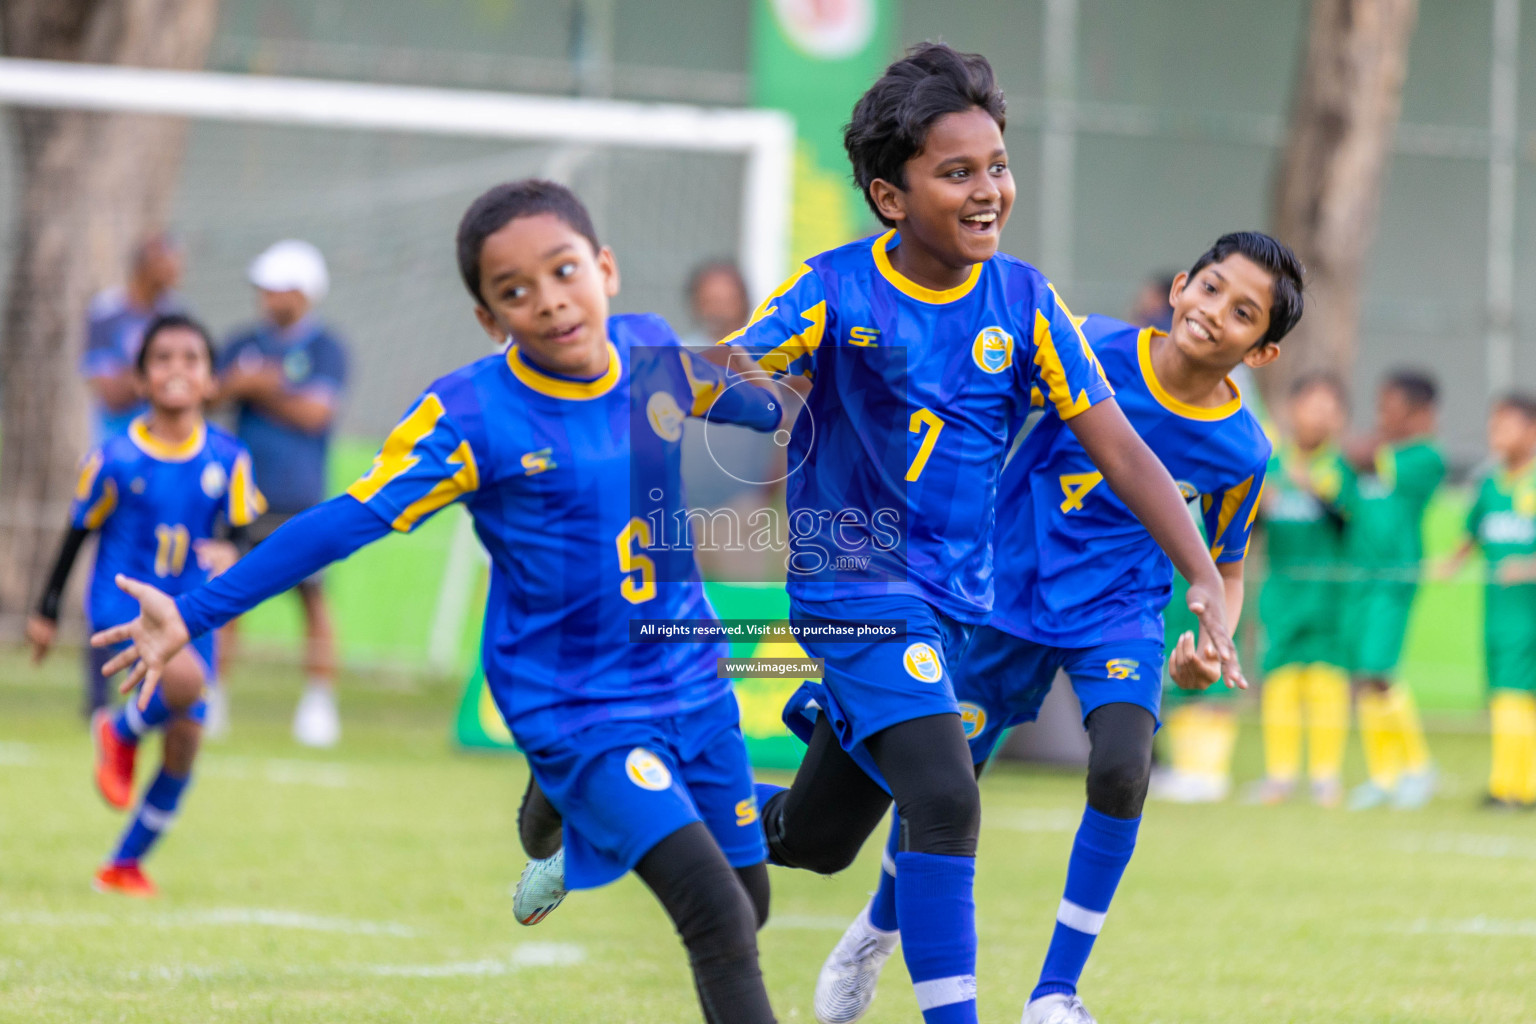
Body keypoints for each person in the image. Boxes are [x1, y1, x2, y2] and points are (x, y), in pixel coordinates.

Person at [91, 180, 790, 1024]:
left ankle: (562, 820)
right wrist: (195, 609)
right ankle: (572, 787)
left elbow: (742, 395)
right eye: (514, 292)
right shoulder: (471, 416)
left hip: (693, 678)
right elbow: (346, 521)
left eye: (564, 271)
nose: (549, 301)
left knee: (748, 910)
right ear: (490, 321)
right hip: (576, 706)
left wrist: (790, 398)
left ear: (604, 268)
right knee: (714, 914)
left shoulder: (651, 351)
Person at [731, 45, 1244, 1024]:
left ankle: (647, 791)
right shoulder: (835, 287)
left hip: (958, 606)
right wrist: (737, 389)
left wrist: (1204, 577)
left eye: (997, 165)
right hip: (856, 589)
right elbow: (734, 374)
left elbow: (1128, 455)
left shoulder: (1025, 303)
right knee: (949, 798)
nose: (988, 191)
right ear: (890, 195)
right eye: (956, 172)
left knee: (816, 835)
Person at [810, 231, 1302, 1024]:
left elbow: (1228, 566)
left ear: (1263, 352)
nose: (1216, 314)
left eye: (1244, 312)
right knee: (941, 790)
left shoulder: (1242, 450)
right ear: (1180, 287)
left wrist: (1213, 643)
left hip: (1119, 614)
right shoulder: (1087, 347)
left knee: (1122, 768)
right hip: (1002, 597)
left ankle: (1055, 993)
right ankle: (876, 929)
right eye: (1211, 290)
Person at [28, 314, 262, 896]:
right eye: (162, 358)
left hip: (192, 613)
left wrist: (232, 549)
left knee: (185, 741)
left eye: (192, 358)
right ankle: (120, 731)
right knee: (187, 688)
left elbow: (246, 532)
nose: (177, 369)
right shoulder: (114, 458)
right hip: (123, 606)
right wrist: (47, 608)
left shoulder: (229, 459)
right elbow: (77, 530)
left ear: (211, 381)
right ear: (140, 380)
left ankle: (124, 864)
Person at [218, 240, 348, 747]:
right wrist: (242, 384)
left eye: (277, 289)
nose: (267, 298)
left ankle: (319, 704)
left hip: (301, 496)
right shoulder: (240, 342)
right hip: (241, 495)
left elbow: (316, 413)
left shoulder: (325, 348)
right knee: (229, 593)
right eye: (264, 289)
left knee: (312, 598)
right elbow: (211, 395)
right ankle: (214, 696)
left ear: (303, 292)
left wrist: (261, 387)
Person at [1250, 374, 1356, 807]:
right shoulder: (1270, 465)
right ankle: (1279, 776)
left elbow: (1347, 521)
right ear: (1292, 411)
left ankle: (1326, 778)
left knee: (1326, 685)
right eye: (1311, 406)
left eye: (1329, 409)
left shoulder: (1341, 469)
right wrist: (1260, 505)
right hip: (1280, 597)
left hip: (1328, 602)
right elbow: (1247, 528)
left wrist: (1312, 488)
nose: (1319, 416)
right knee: (1280, 685)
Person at [1343, 370, 1445, 809]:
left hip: (1394, 578)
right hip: (1359, 578)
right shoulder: (1380, 454)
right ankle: (1384, 776)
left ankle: (1419, 769)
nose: (1382, 416)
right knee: (1363, 678)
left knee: (1379, 671)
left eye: (1392, 408)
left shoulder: (1425, 458)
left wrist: (1349, 443)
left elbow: (1362, 455)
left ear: (1421, 415)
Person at [1438, 394, 1536, 809]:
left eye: (1506, 426)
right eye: (1493, 426)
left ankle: (1511, 787)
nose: (1496, 435)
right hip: (1498, 613)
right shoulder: (1490, 483)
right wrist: (1450, 564)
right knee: (1505, 695)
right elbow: (1472, 532)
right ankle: (1515, 785)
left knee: (1515, 695)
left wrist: (1528, 566)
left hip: (1528, 616)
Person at [82, 233, 186, 443]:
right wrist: (164, 375)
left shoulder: (177, 312)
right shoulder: (107, 313)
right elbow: (111, 394)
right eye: (167, 262)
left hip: (168, 441)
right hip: (117, 438)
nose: (176, 270)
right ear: (145, 267)